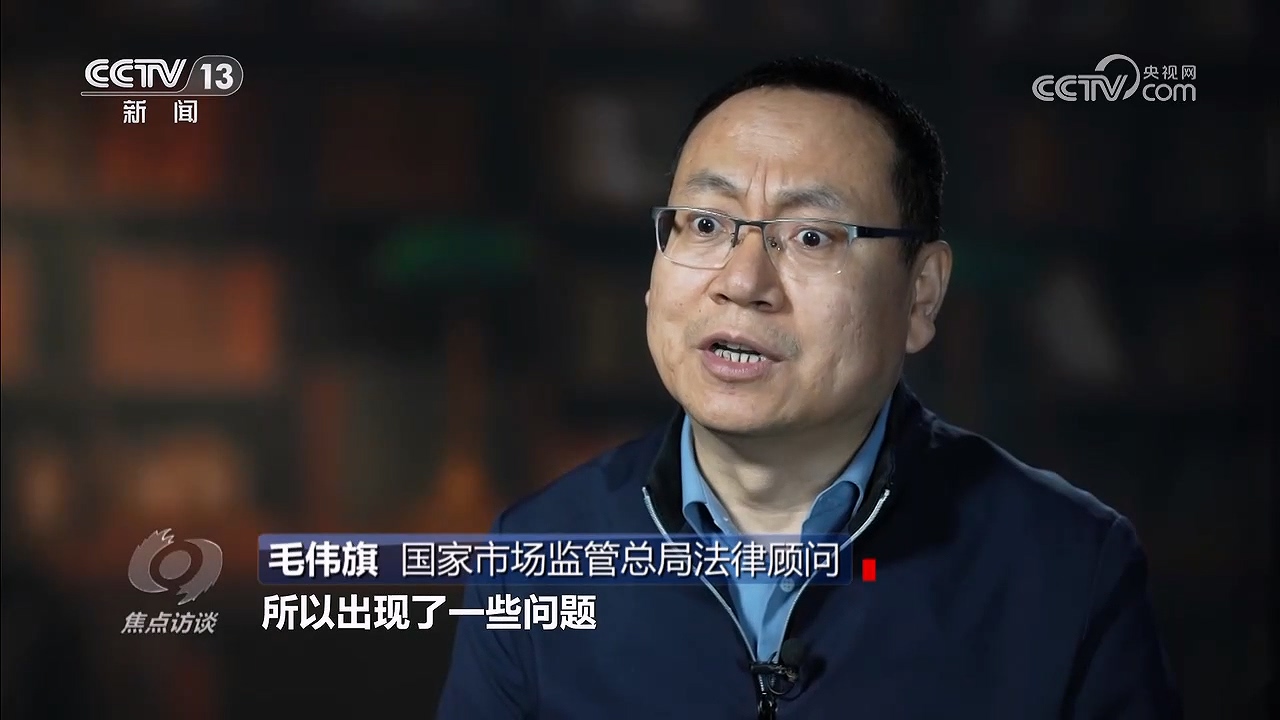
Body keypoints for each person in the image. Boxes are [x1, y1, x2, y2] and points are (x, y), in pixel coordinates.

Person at [437, 56, 1180, 719]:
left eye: (812, 237)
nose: (742, 282)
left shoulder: (1069, 565)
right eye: (705, 224)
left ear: (921, 295)